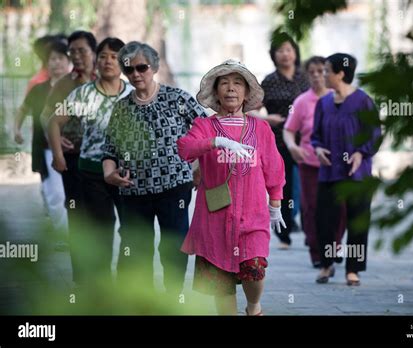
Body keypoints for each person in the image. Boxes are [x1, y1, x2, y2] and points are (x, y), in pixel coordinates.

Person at [177, 60, 286, 315]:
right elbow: (184, 148)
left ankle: (253, 306)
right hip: (215, 219)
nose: (230, 89)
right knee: (222, 283)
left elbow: (274, 168)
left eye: (238, 83)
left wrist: (276, 204)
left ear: (246, 93)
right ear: (216, 92)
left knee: (255, 269)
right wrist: (215, 141)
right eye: (224, 83)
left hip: (253, 217)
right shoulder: (203, 126)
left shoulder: (260, 128)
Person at [102, 41, 207, 296]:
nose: (136, 74)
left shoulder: (178, 99)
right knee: (136, 249)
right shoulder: (122, 108)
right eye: (129, 70)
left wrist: (200, 168)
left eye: (142, 67)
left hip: (175, 186)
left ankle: (173, 299)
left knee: (173, 244)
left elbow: (206, 132)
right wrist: (109, 174)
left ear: (155, 67)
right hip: (133, 190)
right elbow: (109, 150)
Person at [49, 38, 132, 288]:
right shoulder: (83, 93)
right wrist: (58, 155)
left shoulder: (132, 92)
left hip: (126, 174)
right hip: (92, 174)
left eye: (115, 56)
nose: (108, 61)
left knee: (131, 232)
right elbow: (54, 122)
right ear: (96, 60)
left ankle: (129, 284)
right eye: (103, 55)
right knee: (100, 232)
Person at [311, 53, 381, 286]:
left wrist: (361, 152)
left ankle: (353, 270)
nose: (323, 75)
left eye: (326, 71)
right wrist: (318, 149)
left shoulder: (363, 101)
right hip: (329, 172)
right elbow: (316, 136)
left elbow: (374, 134)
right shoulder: (323, 103)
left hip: (357, 174)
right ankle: (326, 264)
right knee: (324, 220)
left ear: (340, 74)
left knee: (357, 221)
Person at [42, 30, 97, 285]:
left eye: (81, 51)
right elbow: (47, 117)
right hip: (73, 159)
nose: (76, 56)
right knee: (77, 215)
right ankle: (82, 277)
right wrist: (56, 144)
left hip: (102, 160)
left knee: (101, 216)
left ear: (93, 53)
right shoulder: (65, 84)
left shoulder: (105, 80)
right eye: (72, 51)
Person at [283, 56, 346, 268]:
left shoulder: (337, 97)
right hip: (309, 162)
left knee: (341, 206)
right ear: (307, 75)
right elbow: (289, 130)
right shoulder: (301, 101)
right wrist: (293, 147)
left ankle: (334, 245)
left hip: (336, 163)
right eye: (313, 72)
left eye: (322, 71)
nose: (318, 76)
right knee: (311, 208)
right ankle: (317, 252)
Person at [14, 40, 71, 237]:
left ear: (69, 61)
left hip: (77, 149)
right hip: (47, 149)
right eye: (52, 59)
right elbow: (23, 110)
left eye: (60, 58)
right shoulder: (39, 90)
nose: (56, 63)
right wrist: (17, 130)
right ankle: (63, 235)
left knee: (76, 194)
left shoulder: (79, 88)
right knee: (55, 193)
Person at [261, 32, 309, 249]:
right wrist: (266, 118)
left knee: (310, 186)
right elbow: (250, 108)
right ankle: (285, 234)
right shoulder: (269, 81)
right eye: (280, 50)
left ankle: (312, 232)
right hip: (279, 140)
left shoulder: (305, 77)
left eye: (288, 49)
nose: (285, 54)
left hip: (307, 140)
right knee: (284, 187)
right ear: (274, 55)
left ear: (295, 53)